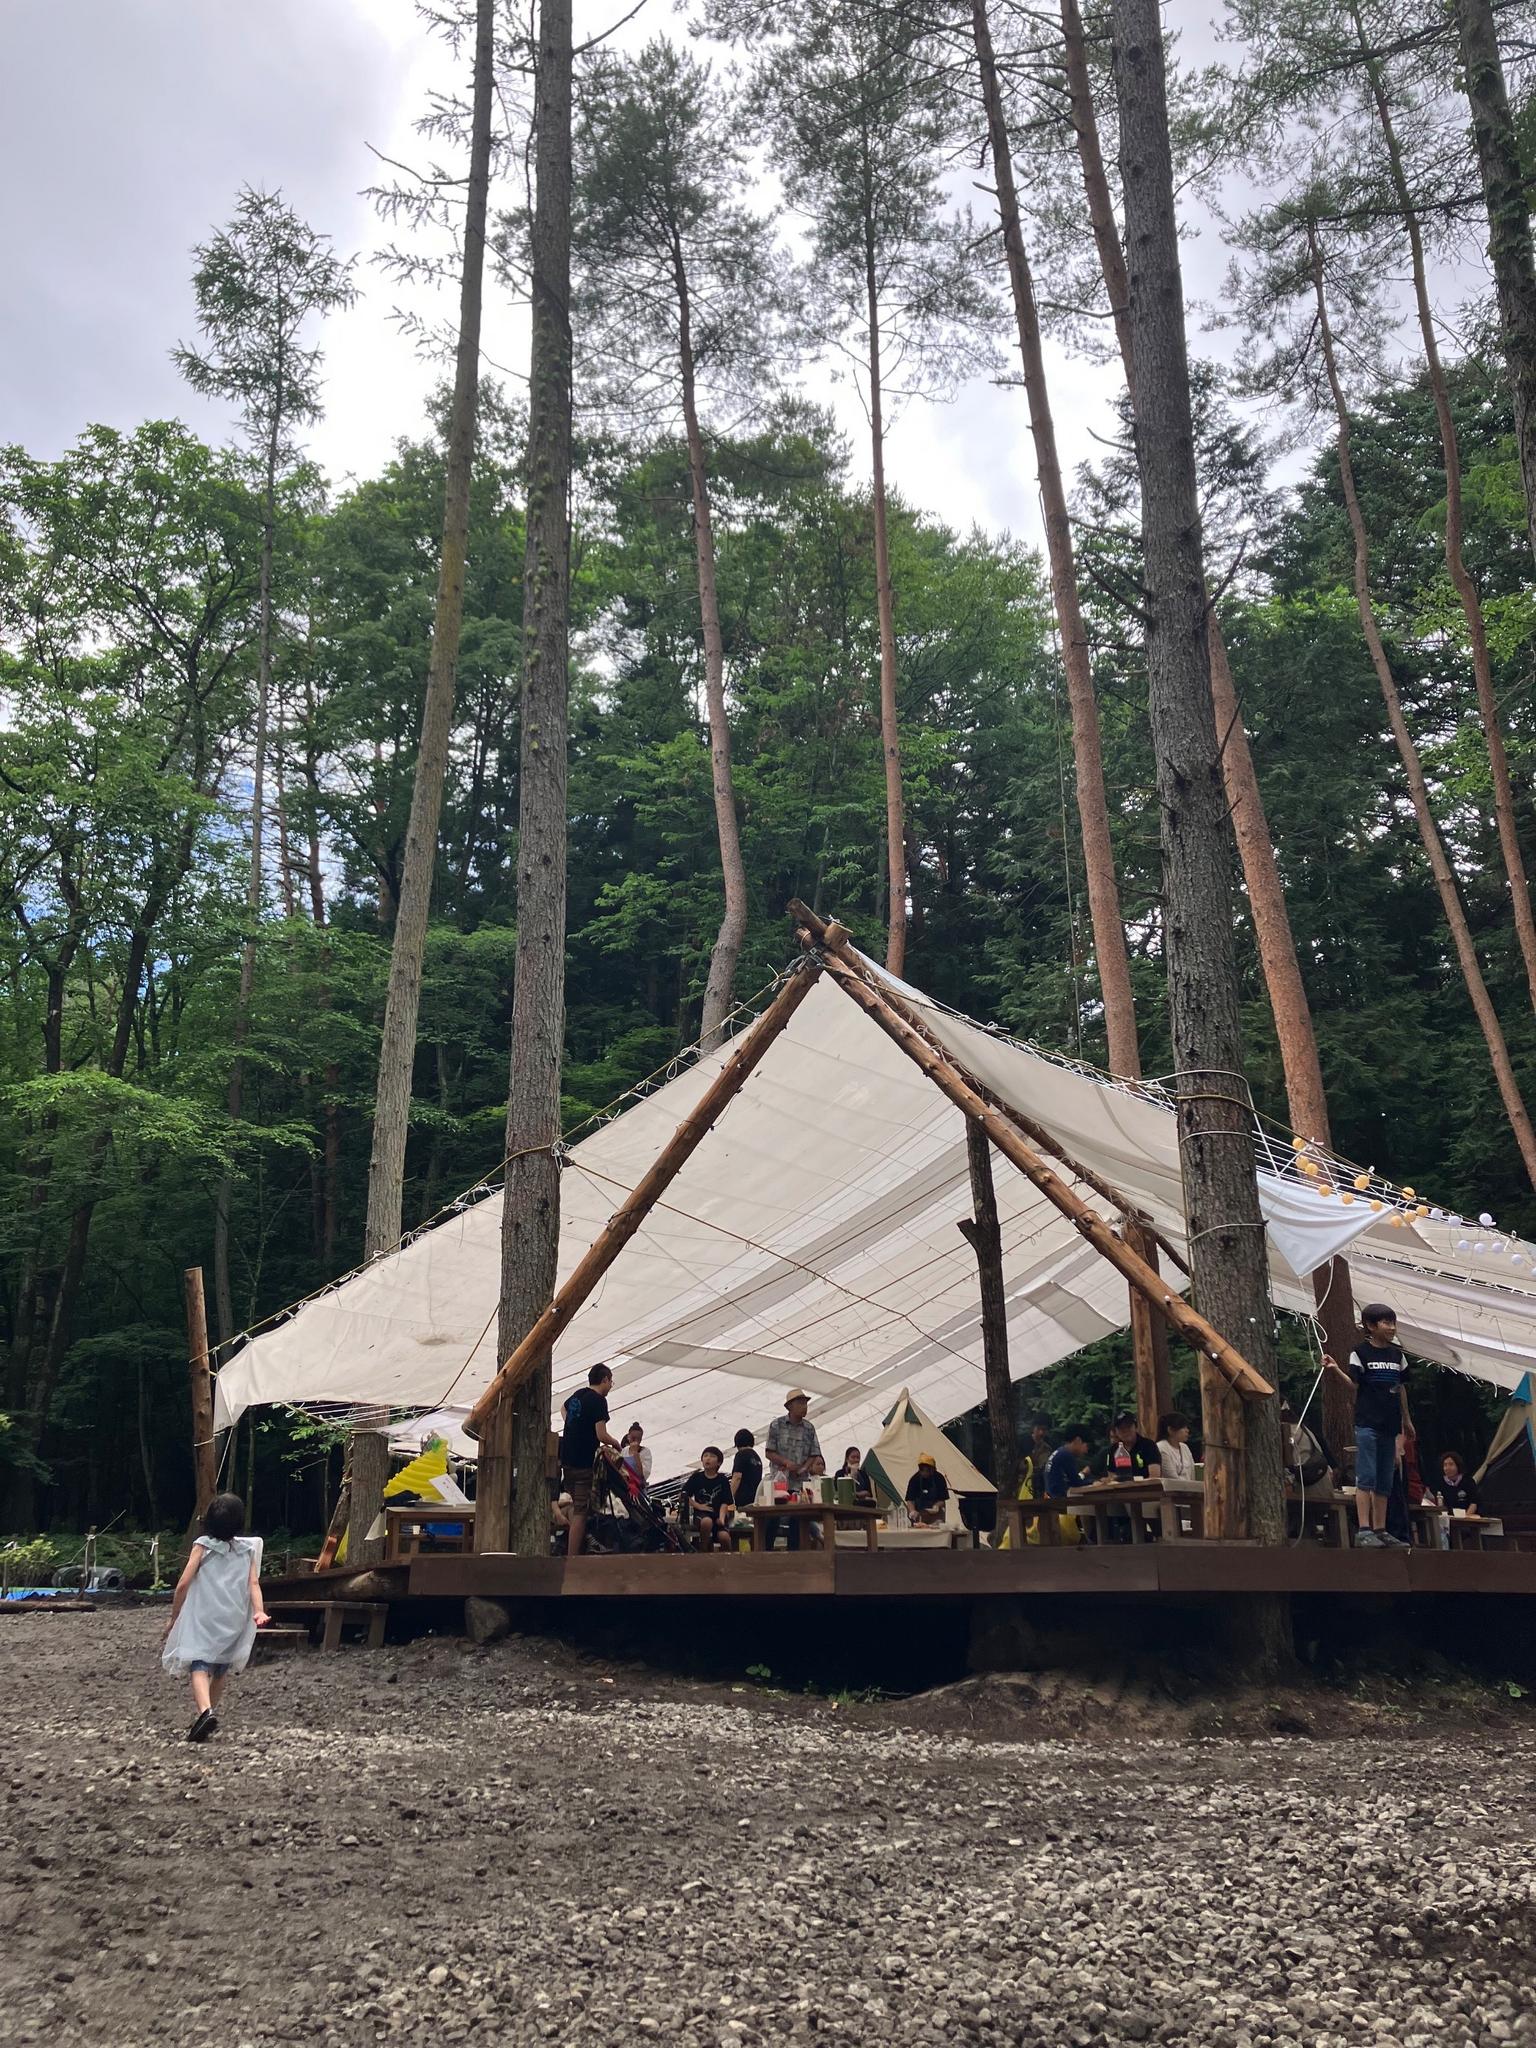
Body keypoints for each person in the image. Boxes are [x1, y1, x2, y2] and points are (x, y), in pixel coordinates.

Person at [160, 1492, 267, 1743]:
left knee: (199, 1664)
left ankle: (206, 1712)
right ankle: (207, 1713)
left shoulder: (202, 1546)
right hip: (233, 1617)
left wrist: (174, 1617)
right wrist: (259, 1610)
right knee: (220, 1668)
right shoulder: (247, 1550)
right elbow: (254, 1583)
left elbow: (183, 1584)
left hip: (205, 1616)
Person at [1324, 1304, 1414, 1549]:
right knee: (1367, 1476)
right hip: (1367, 1423)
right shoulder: (1360, 1353)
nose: (1392, 1328)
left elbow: (1401, 1388)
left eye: (1393, 1323)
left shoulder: (1397, 1356)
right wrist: (1335, 1370)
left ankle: (1381, 1529)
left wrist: (1406, 1420)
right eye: (1386, 1323)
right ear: (1371, 1326)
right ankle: (1364, 1529)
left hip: (1390, 1424)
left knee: (1386, 1479)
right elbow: (1354, 1385)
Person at [559, 1363, 621, 1557]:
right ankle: (573, 1556)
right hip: (584, 1462)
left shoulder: (578, 1394)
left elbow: (563, 1408)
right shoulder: (599, 1401)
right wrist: (616, 1443)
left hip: (567, 1459)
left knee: (576, 1505)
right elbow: (601, 1434)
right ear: (604, 1380)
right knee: (580, 1511)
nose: (611, 1386)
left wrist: (573, 1426)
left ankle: (583, 1544)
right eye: (610, 1382)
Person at [764, 1390, 822, 1550]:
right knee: (773, 1517)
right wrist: (786, 1462)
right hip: (779, 1480)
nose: (804, 1407)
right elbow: (769, 1452)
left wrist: (804, 1467)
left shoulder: (809, 1428)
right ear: (790, 1406)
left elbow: (814, 1453)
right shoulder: (776, 1425)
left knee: (798, 1518)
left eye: (805, 1404)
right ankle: (766, 1551)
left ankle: (794, 1553)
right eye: (800, 1403)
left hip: (800, 1482)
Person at [682, 1447, 734, 1550]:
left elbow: (725, 1502)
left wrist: (722, 1518)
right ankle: (703, 1549)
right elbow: (684, 1495)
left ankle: (728, 1561)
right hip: (701, 1516)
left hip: (718, 1515)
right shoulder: (696, 1477)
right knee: (707, 1522)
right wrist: (698, 1506)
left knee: (724, 1537)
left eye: (712, 1456)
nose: (708, 1459)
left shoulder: (723, 1480)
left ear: (719, 1462)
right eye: (705, 1456)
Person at [1102, 1413, 1162, 1483]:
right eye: (1120, 1428)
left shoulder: (1148, 1445)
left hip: (1146, 1489)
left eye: (1128, 1427)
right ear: (1116, 1432)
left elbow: (1154, 1476)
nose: (1125, 1431)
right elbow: (1111, 1477)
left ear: (1136, 1427)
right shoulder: (1112, 1450)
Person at [1044, 1426, 1092, 1500]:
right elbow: (1076, 1482)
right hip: (1057, 1497)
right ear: (1078, 1440)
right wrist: (1094, 1483)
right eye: (1086, 1446)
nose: (1086, 1451)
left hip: (1051, 1494)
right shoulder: (1066, 1455)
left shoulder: (1060, 1452)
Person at [904, 1451, 951, 1526]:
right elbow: (910, 1499)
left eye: (927, 1470)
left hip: (936, 1516)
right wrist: (912, 1511)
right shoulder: (914, 1479)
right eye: (923, 1470)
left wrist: (936, 1506)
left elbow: (942, 1499)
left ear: (933, 1469)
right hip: (919, 1514)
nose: (925, 1473)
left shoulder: (939, 1478)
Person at [1156, 1412, 1197, 1482]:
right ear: (1170, 1430)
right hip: (1171, 1490)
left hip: (1189, 1489)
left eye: (1186, 1427)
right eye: (1183, 1428)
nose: (1187, 1430)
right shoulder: (1162, 1448)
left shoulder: (1185, 1447)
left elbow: (1192, 1473)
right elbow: (1171, 1478)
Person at [730, 1428, 763, 1512]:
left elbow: (737, 1477)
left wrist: (729, 1499)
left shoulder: (741, 1454)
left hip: (743, 1500)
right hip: (755, 1498)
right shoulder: (757, 1457)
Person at [620, 1421, 652, 1487]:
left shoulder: (645, 1452)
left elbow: (642, 1475)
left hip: (637, 1488)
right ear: (628, 1437)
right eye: (633, 1438)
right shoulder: (624, 1451)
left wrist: (635, 1454)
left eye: (639, 1439)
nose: (636, 1441)